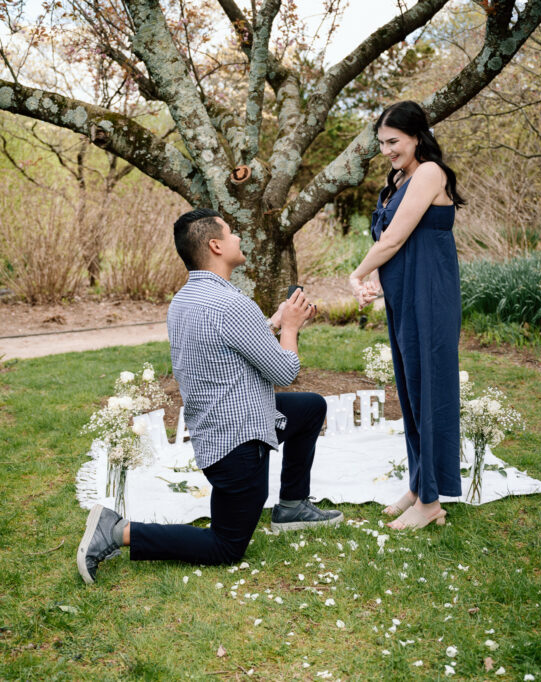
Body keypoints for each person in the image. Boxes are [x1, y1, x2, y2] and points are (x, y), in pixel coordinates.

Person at [77, 208, 343, 583]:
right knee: (225, 546)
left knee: (310, 407)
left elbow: (229, 342)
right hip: (238, 443)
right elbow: (284, 371)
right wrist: (292, 328)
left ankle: (292, 506)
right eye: (232, 233)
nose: (238, 239)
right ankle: (117, 531)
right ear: (216, 245)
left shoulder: (185, 300)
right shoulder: (233, 305)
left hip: (216, 427)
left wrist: (274, 321)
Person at [349, 101, 465, 530]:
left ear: (417, 136)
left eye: (393, 141)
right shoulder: (401, 177)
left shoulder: (431, 173)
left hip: (430, 294)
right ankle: (419, 486)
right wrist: (375, 280)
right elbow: (391, 239)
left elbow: (396, 238)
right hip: (405, 292)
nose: (386, 151)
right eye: (381, 143)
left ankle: (432, 502)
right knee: (411, 388)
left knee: (430, 390)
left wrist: (358, 272)